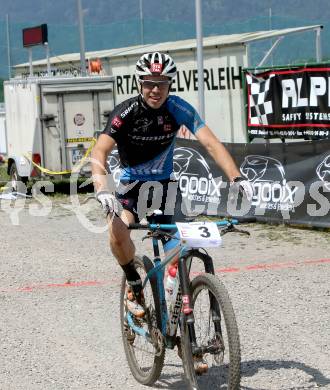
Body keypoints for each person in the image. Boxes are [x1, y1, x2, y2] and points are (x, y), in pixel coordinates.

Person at [91, 52, 252, 318]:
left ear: (170, 85)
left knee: (179, 251)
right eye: (149, 83)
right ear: (139, 83)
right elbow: (99, 152)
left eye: (162, 83)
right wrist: (102, 188)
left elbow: (211, 144)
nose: (155, 89)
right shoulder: (127, 112)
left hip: (166, 188)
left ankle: (177, 327)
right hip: (132, 187)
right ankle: (133, 281)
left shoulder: (178, 108)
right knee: (117, 230)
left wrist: (237, 177)